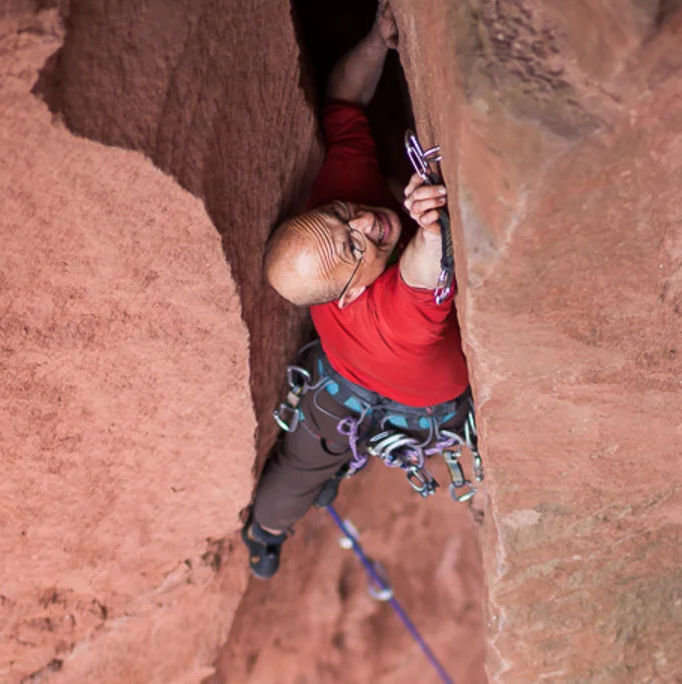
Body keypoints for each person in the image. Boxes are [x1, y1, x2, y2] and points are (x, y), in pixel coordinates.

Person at [241, 1, 472, 579]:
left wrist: (377, 40)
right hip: (417, 406)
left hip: (339, 381)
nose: (367, 223)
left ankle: (283, 514)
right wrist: (425, 225)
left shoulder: (342, 199)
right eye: (353, 249)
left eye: (343, 217)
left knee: (307, 455)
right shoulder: (395, 314)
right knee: (297, 471)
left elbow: (343, 104)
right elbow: (422, 271)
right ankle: (264, 534)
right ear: (342, 296)